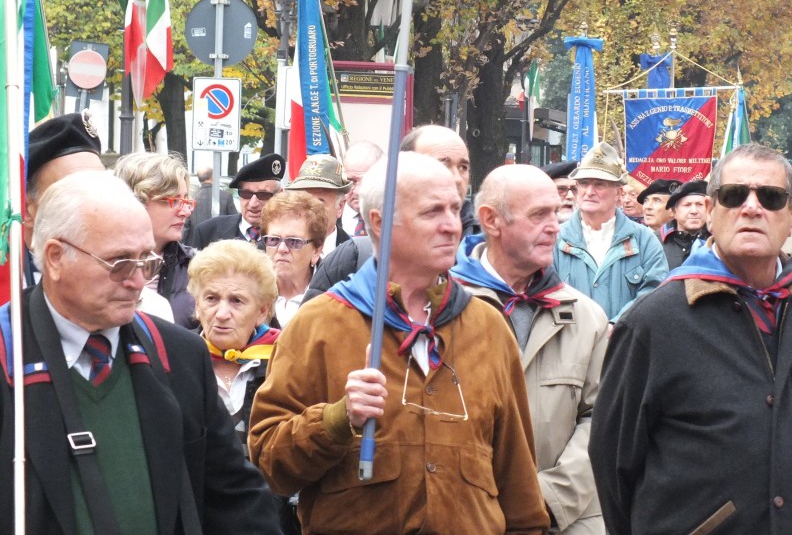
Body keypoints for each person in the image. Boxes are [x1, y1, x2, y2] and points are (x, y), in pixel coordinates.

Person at [248, 152, 549, 534]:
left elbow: (520, 491)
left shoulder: (488, 328)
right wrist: (337, 419)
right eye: (432, 212)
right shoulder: (318, 324)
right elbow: (269, 464)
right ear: (380, 223)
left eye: (454, 209)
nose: (451, 226)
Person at [0, 171, 280, 533]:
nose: (137, 282)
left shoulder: (179, 354)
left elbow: (236, 498)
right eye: (119, 263)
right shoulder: (9, 352)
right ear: (55, 257)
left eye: (146, 261)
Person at [590, 144, 792, 535]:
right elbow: (613, 463)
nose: (752, 207)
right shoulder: (652, 322)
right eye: (734, 195)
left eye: (771, 197)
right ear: (710, 211)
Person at [451, 165, 609, 533]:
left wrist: (546, 499)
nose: (555, 226)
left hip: (564, 520)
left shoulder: (587, 317)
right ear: (491, 220)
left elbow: (601, 420)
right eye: (539, 214)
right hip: (466, 518)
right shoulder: (442, 311)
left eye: (556, 212)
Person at [187, 240, 299, 534]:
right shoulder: (176, 362)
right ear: (197, 305)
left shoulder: (286, 362)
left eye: (237, 301)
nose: (222, 313)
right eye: (211, 298)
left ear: (262, 311)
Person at [552, 142, 668, 321]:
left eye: (599, 184)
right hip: (571, 337)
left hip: (625, 337)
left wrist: (615, 326)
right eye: (584, 183)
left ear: (619, 193)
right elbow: (544, 294)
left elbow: (654, 295)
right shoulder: (555, 238)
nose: (589, 191)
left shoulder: (645, 240)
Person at [114, 151, 198, 328]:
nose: (185, 211)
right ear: (136, 201)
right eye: (174, 201)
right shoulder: (97, 261)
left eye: (186, 201)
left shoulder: (196, 268)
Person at [22, 112, 106, 282]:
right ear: (27, 210)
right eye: (72, 193)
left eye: (101, 188)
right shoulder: (10, 277)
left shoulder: (123, 268)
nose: (93, 203)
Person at [260, 190, 331, 327]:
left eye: (293, 242)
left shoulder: (333, 296)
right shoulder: (252, 291)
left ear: (317, 251)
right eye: (273, 240)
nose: (282, 249)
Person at [188, 154, 284, 250]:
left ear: (279, 194)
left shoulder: (289, 237)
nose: (253, 204)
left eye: (263, 195)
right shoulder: (207, 232)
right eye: (246, 194)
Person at [400, 124, 481, 236]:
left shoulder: (485, 242)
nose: (457, 179)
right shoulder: (385, 239)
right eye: (443, 166)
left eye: (463, 167)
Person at [286, 154, 352, 256]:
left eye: (319, 202)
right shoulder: (276, 248)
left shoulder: (356, 254)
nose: (310, 209)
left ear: (340, 207)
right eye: (304, 201)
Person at [659, 179, 710, 270]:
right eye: (687, 205)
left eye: (700, 204)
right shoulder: (655, 241)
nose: (694, 211)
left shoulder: (718, 240)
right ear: (673, 211)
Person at [182, 165, 238, 243]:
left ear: (199, 179)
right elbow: (235, 221)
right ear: (212, 176)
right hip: (220, 244)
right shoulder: (226, 196)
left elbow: (185, 227)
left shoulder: (192, 198)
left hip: (196, 245)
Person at [339, 140, 383, 237]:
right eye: (351, 181)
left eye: (365, 182)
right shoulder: (328, 218)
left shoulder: (395, 220)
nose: (357, 191)